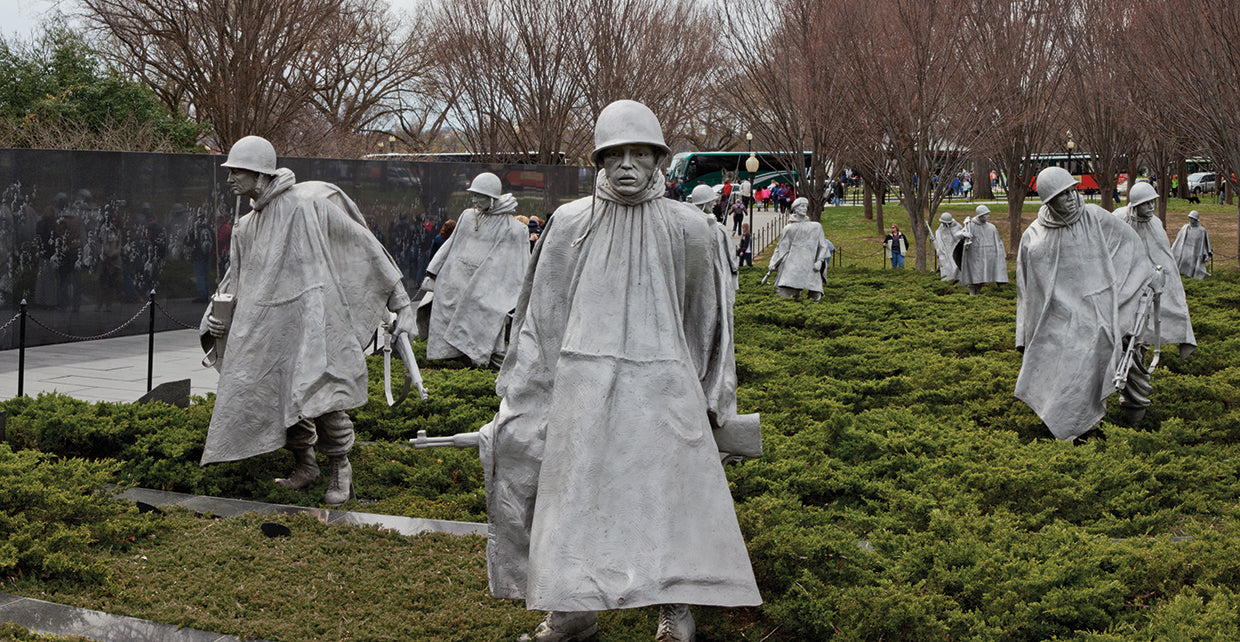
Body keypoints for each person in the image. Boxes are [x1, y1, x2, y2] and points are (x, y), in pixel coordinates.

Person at [478, 100, 761, 642]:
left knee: (671, 497)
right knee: (573, 500)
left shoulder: (691, 229)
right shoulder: (569, 223)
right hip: (583, 386)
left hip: (664, 387)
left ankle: (674, 608)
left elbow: (708, 320)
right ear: (600, 162)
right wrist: (529, 392)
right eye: (616, 155)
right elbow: (543, 315)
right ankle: (572, 613)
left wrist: (711, 394)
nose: (628, 165)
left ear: (658, 159)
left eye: (640, 153)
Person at [199, 135, 415, 506]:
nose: (230, 178)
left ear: (260, 173)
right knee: (279, 394)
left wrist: (402, 303)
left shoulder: (307, 203)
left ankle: (339, 468)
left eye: (238, 170)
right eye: (230, 171)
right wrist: (216, 320)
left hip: (314, 318)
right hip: (267, 325)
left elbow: (363, 247)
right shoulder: (246, 225)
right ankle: (305, 464)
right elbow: (235, 280)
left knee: (323, 394)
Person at [1015, 167, 1156, 441]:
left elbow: (1130, 248)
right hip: (1055, 320)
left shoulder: (1094, 217)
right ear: (1048, 201)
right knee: (1062, 370)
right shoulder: (1034, 238)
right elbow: (1026, 292)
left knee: (1090, 361)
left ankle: (1087, 424)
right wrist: (1024, 334)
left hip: (1096, 314)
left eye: (1072, 190)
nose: (1070, 198)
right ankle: (1070, 425)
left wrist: (1139, 283)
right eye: (1061, 194)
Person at [420, 172, 530, 368]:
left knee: (485, 315)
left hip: (485, 284)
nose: (474, 200)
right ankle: (447, 358)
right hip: (455, 278)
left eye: (479, 196)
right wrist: (433, 271)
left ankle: (481, 360)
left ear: (492, 198)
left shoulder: (513, 228)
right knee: (445, 311)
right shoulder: (467, 216)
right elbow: (451, 244)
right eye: (473, 195)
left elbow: (520, 264)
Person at [1113, 182, 1196, 424]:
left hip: (1148, 301)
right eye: (1145, 204)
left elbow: (1163, 259)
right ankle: (1124, 401)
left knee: (1140, 348)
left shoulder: (1156, 225)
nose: (1151, 208)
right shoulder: (1119, 221)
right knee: (1122, 348)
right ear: (1134, 205)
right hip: (1122, 299)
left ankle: (1135, 414)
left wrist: (1158, 281)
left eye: (1152, 202)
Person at [766, 197, 833, 302]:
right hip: (792, 266)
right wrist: (773, 263)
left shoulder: (816, 227)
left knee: (815, 295)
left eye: (805, 206)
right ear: (795, 209)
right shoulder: (789, 228)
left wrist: (819, 261)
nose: (804, 208)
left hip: (811, 265)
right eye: (801, 206)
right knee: (788, 294)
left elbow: (823, 246)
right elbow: (781, 249)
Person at [690, 183, 740, 294]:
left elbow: (730, 257)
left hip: (715, 273)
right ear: (704, 203)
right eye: (711, 201)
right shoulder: (717, 228)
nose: (714, 204)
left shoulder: (718, 228)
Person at [957, 205, 1008, 295]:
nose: (988, 216)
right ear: (981, 216)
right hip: (973, 255)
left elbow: (998, 242)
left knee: (982, 274)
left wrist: (1001, 253)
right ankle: (972, 291)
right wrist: (964, 234)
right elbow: (957, 234)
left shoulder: (991, 227)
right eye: (986, 214)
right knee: (973, 273)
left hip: (986, 255)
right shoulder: (970, 225)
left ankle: (979, 291)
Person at [1171, 210, 1212, 279]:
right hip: (1184, 250)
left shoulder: (1202, 230)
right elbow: (1179, 240)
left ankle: (1191, 277)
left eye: (1192, 218)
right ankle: (1182, 276)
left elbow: (1204, 243)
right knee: (1183, 262)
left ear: (1196, 219)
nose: (1190, 220)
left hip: (1195, 252)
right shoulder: (1185, 228)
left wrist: (1206, 253)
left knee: (1192, 264)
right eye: (1190, 218)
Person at [934, 212, 962, 282]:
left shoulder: (957, 227)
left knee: (954, 266)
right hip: (944, 251)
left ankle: (956, 280)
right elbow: (938, 233)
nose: (943, 224)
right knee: (945, 266)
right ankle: (946, 281)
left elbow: (958, 238)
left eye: (945, 223)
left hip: (953, 250)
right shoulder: (941, 227)